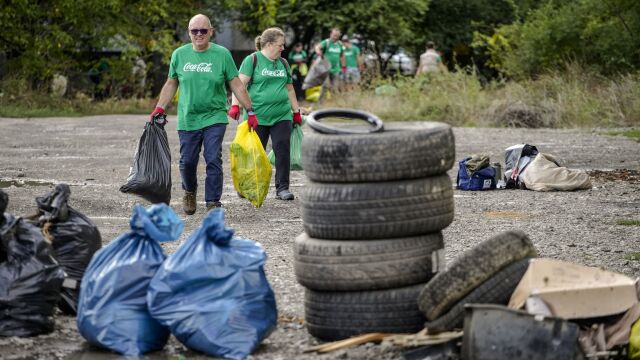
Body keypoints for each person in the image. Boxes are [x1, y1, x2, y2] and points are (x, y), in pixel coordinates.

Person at [150, 14, 256, 215]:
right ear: (189, 32)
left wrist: (250, 109)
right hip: (188, 117)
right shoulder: (179, 54)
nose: (199, 34)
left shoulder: (222, 54)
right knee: (187, 161)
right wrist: (159, 107)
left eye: (203, 31)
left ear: (211, 32)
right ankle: (189, 191)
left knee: (213, 158)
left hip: (214, 116)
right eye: (194, 31)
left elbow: (235, 83)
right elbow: (171, 83)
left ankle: (213, 201)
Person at [229, 27, 302, 201]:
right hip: (257, 116)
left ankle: (282, 188)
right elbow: (239, 85)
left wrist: (296, 111)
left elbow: (290, 89)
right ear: (269, 44)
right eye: (280, 45)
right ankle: (247, 185)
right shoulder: (252, 60)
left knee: (282, 150)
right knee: (254, 153)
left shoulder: (283, 63)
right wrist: (235, 106)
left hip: (282, 115)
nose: (282, 48)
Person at [314, 28, 345, 102]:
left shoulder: (340, 44)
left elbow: (342, 56)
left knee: (335, 87)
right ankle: (321, 102)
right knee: (325, 85)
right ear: (331, 34)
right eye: (334, 35)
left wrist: (344, 66)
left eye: (337, 36)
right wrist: (318, 52)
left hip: (336, 69)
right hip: (326, 68)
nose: (335, 37)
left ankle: (335, 103)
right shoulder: (326, 42)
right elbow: (317, 47)